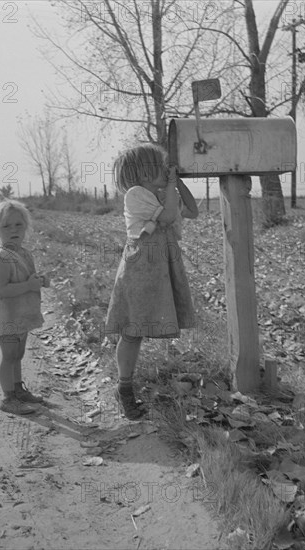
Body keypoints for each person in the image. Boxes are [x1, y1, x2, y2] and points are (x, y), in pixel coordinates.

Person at [105, 144, 199, 420]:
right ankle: (124, 389)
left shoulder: (160, 193)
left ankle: (126, 387)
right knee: (133, 329)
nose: (166, 170)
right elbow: (169, 216)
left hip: (160, 265)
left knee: (139, 330)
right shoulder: (136, 195)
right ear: (145, 172)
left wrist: (177, 182)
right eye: (161, 166)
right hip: (142, 266)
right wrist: (170, 185)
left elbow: (192, 211)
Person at [0, 199, 50, 415]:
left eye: (18, 225)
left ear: (26, 227)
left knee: (18, 355)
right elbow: (2, 290)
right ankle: (8, 398)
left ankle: (18, 390)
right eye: (6, 226)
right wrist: (28, 285)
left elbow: (28, 278)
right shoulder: (2, 258)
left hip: (20, 314)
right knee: (9, 355)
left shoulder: (23, 253)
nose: (13, 230)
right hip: (7, 315)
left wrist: (39, 280)